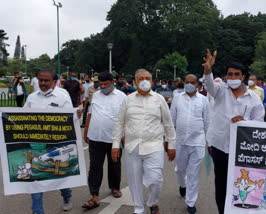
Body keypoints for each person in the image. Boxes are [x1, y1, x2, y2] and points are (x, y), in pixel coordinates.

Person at [202, 49, 264, 214]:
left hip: (243, 150)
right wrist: (208, 69)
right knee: (221, 184)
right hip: (220, 147)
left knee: (241, 184)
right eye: (230, 74)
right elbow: (209, 85)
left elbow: (259, 124)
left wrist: (245, 123)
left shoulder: (254, 99)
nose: (233, 78)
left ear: (243, 77)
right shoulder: (220, 90)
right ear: (226, 77)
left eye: (237, 74)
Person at [112, 69, 176, 214]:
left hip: (154, 146)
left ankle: (153, 202)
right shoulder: (128, 99)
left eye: (147, 78)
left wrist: (171, 145)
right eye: (141, 78)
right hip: (132, 147)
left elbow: (168, 124)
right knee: (134, 181)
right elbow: (119, 123)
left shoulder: (159, 99)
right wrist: (115, 145)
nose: (144, 81)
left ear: (152, 82)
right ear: (135, 82)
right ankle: (139, 208)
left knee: (155, 179)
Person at [23, 69, 82, 214]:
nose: (42, 83)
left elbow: (69, 119)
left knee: (60, 175)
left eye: (46, 80)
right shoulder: (31, 98)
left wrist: (76, 115)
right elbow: (21, 117)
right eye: (40, 80)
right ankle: (37, 211)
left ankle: (66, 195)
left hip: (57, 144)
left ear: (54, 82)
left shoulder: (63, 96)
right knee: (36, 179)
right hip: (37, 144)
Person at [82, 72, 126, 209]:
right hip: (96, 137)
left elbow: (126, 117)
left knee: (115, 164)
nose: (102, 87)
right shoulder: (96, 95)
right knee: (95, 166)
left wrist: (124, 137)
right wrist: (86, 131)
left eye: (105, 84)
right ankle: (94, 194)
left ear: (112, 82)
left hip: (114, 139)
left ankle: (115, 187)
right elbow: (90, 113)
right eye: (100, 84)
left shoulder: (122, 97)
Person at [170, 74, 209, 214]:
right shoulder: (177, 98)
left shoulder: (204, 100)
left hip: (197, 141)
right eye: (187, 82)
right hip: (180, 141)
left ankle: (190, 202)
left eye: (192, 82)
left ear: (197, 85)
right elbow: (171, 120)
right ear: (183, 82)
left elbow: (207, 122)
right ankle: (182, 184)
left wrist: (208, 142)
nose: (189, 84)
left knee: (193, 173)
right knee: (180, 170)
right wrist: (168, 141)